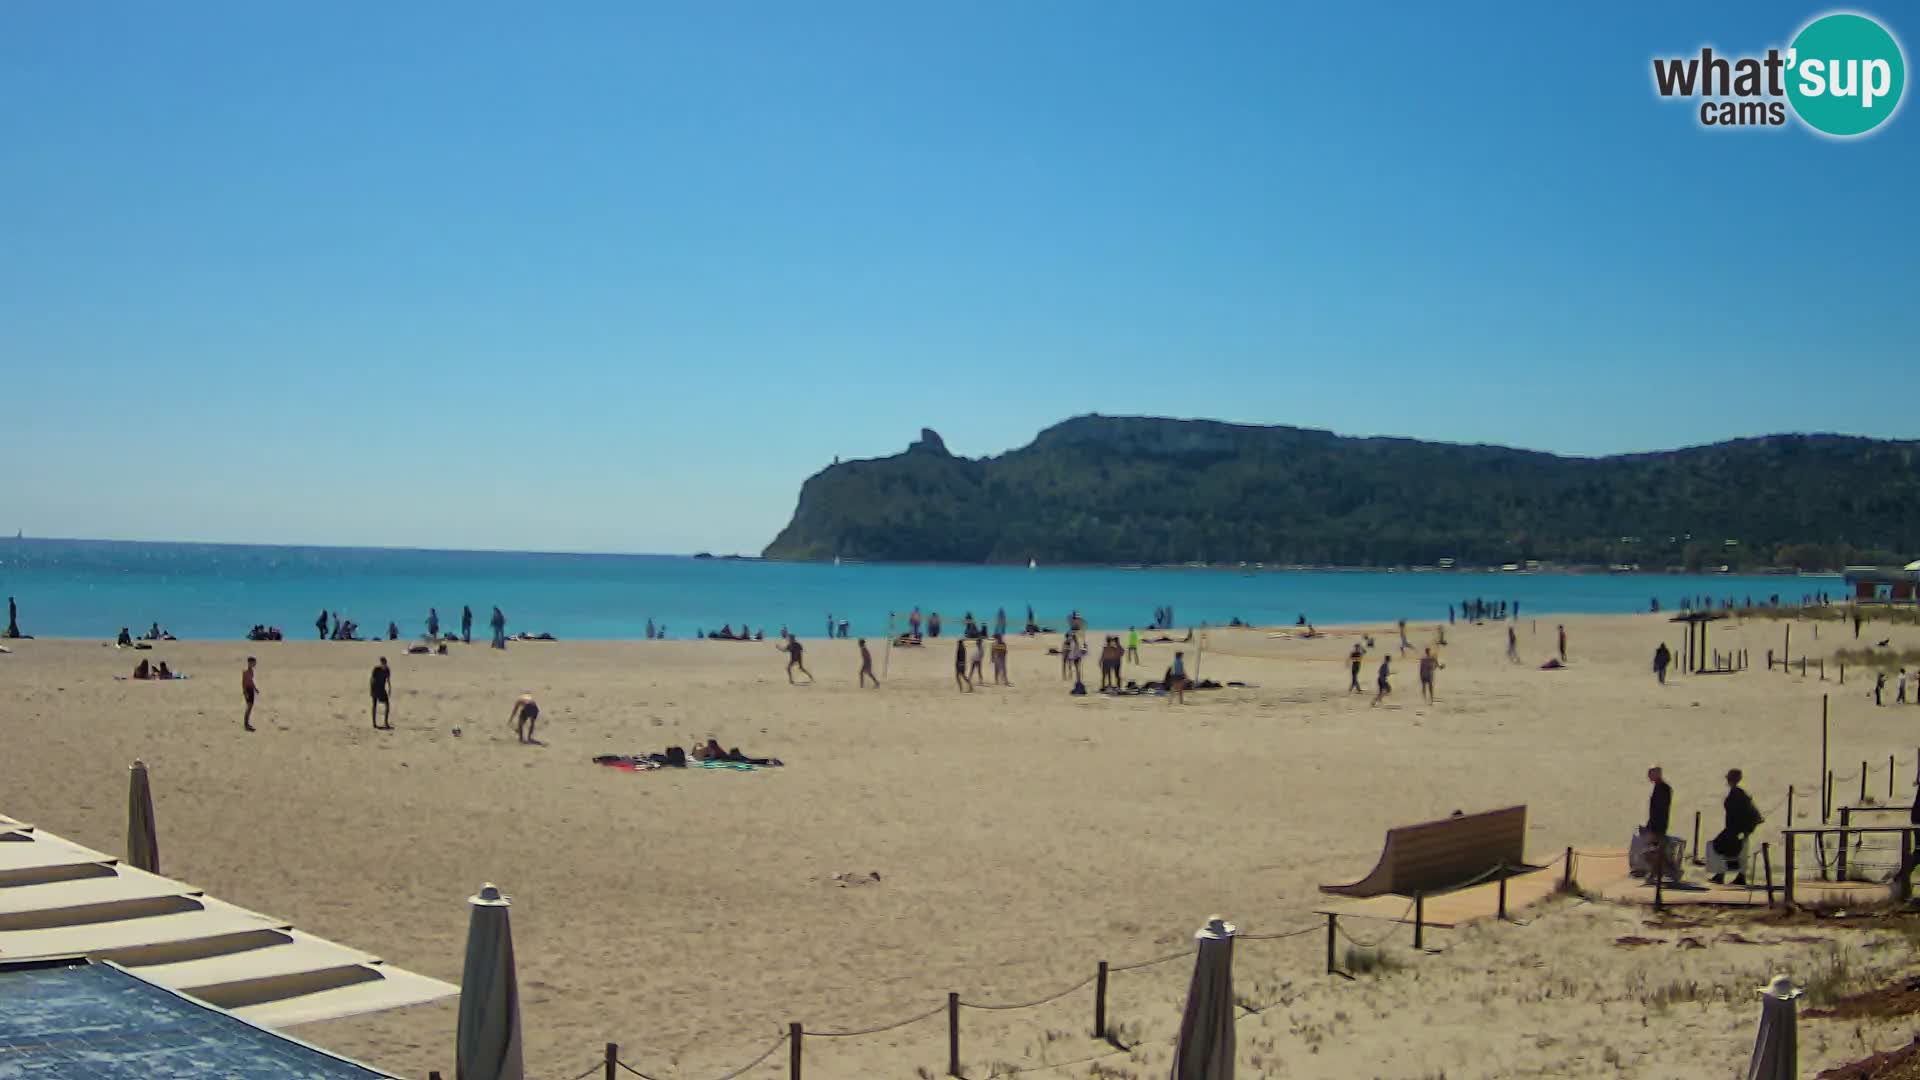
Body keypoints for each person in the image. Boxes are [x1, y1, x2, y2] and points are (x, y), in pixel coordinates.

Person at [1709, 769, 1763, 886]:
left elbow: (1743, 813)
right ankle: (1724, 874)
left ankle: (1729, 875)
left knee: (1731, 849)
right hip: (1737, 829)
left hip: (1738, 829)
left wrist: (1743, 830)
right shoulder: (1737, 793)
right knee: (1727, 848)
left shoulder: (1738, 794)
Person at [1645, 766, 1675, 884]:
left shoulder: (1663, 788)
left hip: (1659, 824)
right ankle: (1657, 873)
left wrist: (1653, 824)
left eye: (1650, 774)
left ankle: (1664, 871)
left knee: (1656, 850)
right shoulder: (1659, 787)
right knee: (1656, 849)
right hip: (1656, 823)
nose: (1649, 777)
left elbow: (1660, 809)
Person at [370, 657, 393, 730]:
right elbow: (372, 679)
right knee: (374, 705)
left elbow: (388, 680)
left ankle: (385, 722)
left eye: (385, 663)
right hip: (375, 688)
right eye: (382, 663)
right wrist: (372, 690)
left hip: (382, 689)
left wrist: (389, 688)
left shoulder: (387, 670)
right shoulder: (376, 669)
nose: (384, 665)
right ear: (381, 663)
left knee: (387, 705)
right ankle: (374, 723)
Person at [241, 657, 259, 732]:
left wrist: (255, 689)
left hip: (251, 690)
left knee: (250, 707)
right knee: (248, 708)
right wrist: (245, 692)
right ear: (250, 662)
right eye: (254, 662)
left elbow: (251, 681)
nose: (255, 664)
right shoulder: (245, 672)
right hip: (247, 690)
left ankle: (247, 724)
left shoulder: (252, 671)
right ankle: (245, 725)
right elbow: (243, 683)